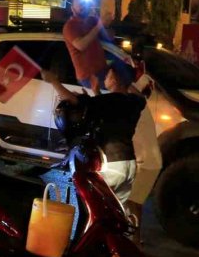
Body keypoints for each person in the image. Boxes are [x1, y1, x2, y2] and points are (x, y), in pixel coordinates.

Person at [43, 63, 145, 205]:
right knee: (118, 210)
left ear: (115, 79)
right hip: (129, 165)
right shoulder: (134, 102)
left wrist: (53, 81)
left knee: (96, 206)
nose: (105, 78)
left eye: (108, 75)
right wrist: (98, 91)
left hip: (111, 165)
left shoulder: (108, 101)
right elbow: (122, 103)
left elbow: (73, 101)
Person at [62, 0, 113, 94]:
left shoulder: (91, 21)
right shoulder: (70, 26)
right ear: (72, 8)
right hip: (89, 76)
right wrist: (99, 26)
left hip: (103, 70)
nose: (83, 6)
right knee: (110, 103)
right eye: (80, 5)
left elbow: (110, 35)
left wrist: (106, 20)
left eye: (85, 4)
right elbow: (81, 45)